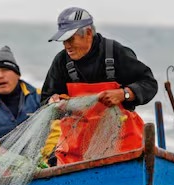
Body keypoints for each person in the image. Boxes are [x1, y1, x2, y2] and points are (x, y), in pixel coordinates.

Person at [42, 7, 158, 165]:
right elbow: (45, 100)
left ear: (88, 33)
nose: (66, 46)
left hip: (123, 148)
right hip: (76, 153)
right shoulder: (61, 61)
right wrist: (52, 102)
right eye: (63, 40)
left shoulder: (115, 52)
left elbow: (149, 83)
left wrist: (124, 94)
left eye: (71, 39)